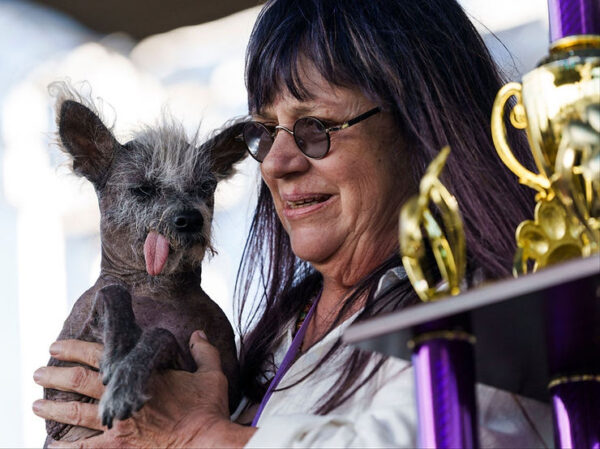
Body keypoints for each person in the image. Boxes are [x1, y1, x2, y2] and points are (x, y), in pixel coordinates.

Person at [32, 0, 553, 447]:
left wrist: (203, 434)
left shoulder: (494, 315)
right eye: (266, 131)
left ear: (422, 125)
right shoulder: (278, 334)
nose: (277, 163)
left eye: (317, 127)